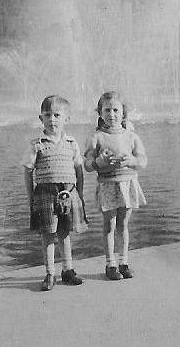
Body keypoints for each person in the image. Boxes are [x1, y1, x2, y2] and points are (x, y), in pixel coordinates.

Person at [22, 95, 88, 291]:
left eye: (57, 115)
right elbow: (27, 171)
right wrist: (30, 197)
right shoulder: (37, 144)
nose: (52, 119)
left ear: (66, 119)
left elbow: (79, 170)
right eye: (47, 115)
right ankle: (50, 273)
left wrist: (80, 194)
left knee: (65, 233)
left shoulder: (71, 142)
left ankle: (68, 270)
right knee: (48, 235)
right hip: (44, 194)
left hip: (68, 192)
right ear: (41, 119)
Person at [84, 91, 147, 281]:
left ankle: (124, 262)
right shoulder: (97, 137)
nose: (112, 114)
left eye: (116, 110)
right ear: (100, 113)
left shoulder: (131, 136)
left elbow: (143, 161)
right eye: (107, 110)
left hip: (127, 184)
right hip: (108, 185)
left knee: (123, 225)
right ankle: (110, 264)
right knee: (109, 225)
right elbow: (86, 164)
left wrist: (133, 160)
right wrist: (98, 163)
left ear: (123, 113)